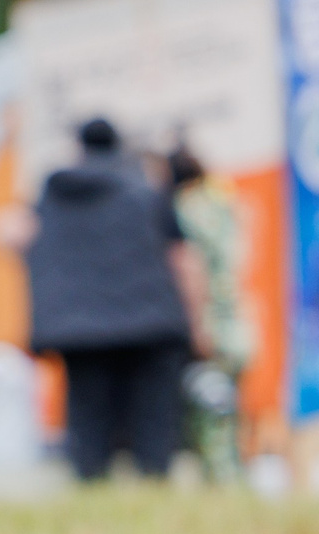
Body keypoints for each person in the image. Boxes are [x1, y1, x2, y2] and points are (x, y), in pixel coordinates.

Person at [22, 117, 198, 481]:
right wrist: (195, 320)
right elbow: (180, 257)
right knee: (154, 417)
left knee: (88, 418)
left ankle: (90, 491)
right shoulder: (144, 190)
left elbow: (16, 235)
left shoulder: (55, 194)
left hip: (80, 327)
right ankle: (155, 491)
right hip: (150, 319)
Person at [167, 143, 250, 484]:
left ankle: (224, 487)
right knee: (229, 414)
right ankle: (232, 481)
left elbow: (194, 269)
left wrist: (198, 327)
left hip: (210, 325)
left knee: (210, 418)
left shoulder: (186, 209)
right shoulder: (223, 204)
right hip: (235, 323)